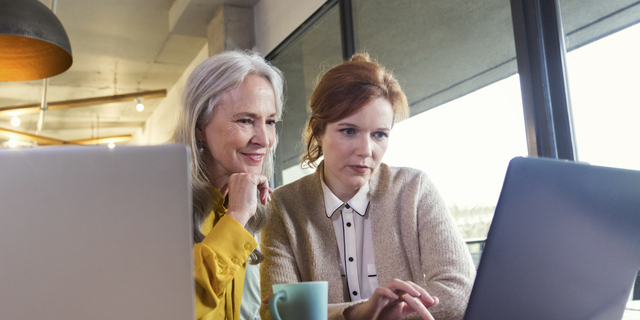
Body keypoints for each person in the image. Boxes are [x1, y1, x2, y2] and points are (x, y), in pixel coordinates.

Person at [259, 53, 475, 320]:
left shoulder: (415, 190)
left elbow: (460, 293)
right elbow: (275, 314)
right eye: (349, 131)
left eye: (380, 134)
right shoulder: (282, 208)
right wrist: (358, 313)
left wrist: (357, 315)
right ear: (318, 130)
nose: (366, 150)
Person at [171, 50, 284, 320]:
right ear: (200, 126)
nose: (264, 138)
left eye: (270, 122)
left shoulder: (250, 207)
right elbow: (175, 306)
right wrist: (236, 218)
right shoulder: (161, 205)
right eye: (245, 120)